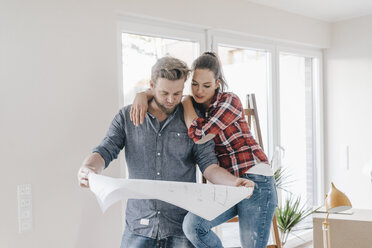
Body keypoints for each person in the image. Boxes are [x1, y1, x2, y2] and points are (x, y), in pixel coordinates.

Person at [77, 56, 254, 248]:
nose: (171, 100)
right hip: (139, 226)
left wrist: (234, 182)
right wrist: (88, 167)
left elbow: (209, 165)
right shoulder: (127, 117)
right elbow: (105, 150)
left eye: (177, 94)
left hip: (179, 228)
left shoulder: (192, 121)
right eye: (164, 93)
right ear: (151, 85)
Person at [130, 52, 278, 248]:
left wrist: (186, 101)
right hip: (229, 183)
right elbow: (162, 93)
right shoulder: (198, 107)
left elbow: (199, 135)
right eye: (195, 84)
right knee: (193, 226)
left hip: (256, 181)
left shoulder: (229, 101)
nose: (199, 91)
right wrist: (143, 94)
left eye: (207, 86)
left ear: (217, 83)